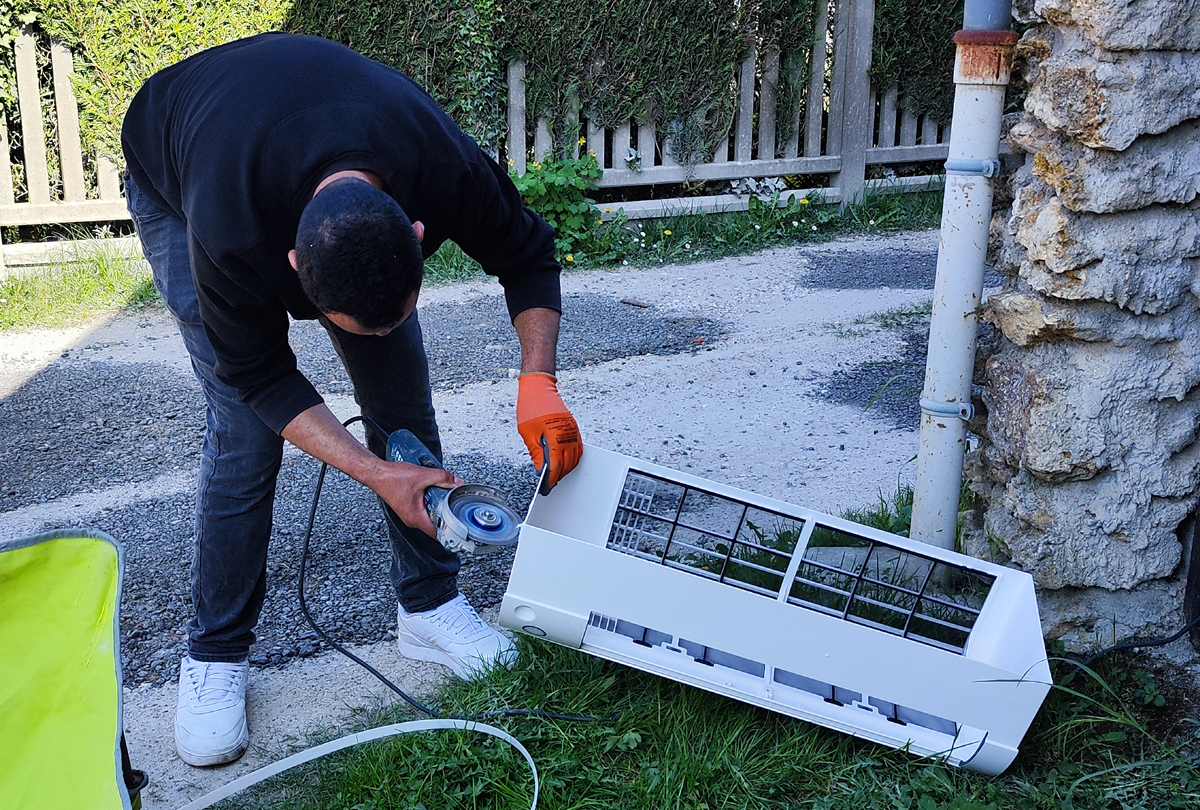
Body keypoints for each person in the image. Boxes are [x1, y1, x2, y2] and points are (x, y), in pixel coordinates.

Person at [121, 32, 583, 768]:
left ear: (418, 232)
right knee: (244, 429)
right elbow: (261, 376)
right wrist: (378, 474)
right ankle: (215, 651)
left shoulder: (441, 165)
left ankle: (428, 606)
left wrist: (539, 382)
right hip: (178, 160)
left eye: (400, 308)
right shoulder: (230, 222)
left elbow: (529, 255)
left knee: (400, 393)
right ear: (294, 267)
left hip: (315, 128)